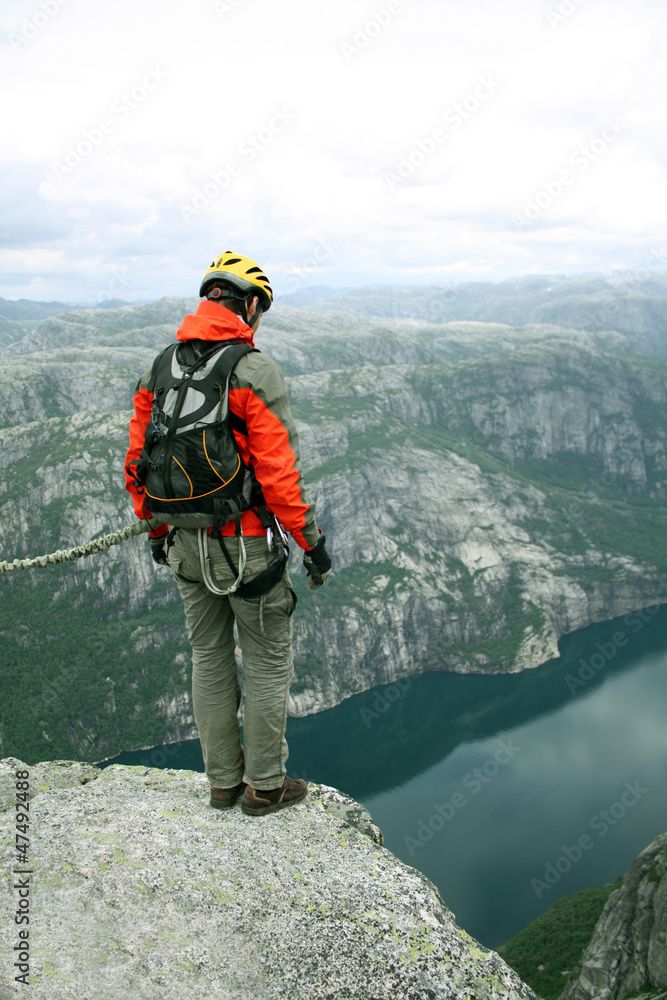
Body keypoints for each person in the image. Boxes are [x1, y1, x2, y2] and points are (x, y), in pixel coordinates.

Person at [124, 251, 331, 816]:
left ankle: (222, 784)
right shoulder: (251, 370)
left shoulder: (160, 368)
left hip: (183, 548)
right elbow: (279, 476)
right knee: (264, 661)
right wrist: (312, 546)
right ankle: (265, 787)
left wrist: (156, 528)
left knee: (208, 658)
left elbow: (137, 462)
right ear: (251, 305)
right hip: (246, 550)